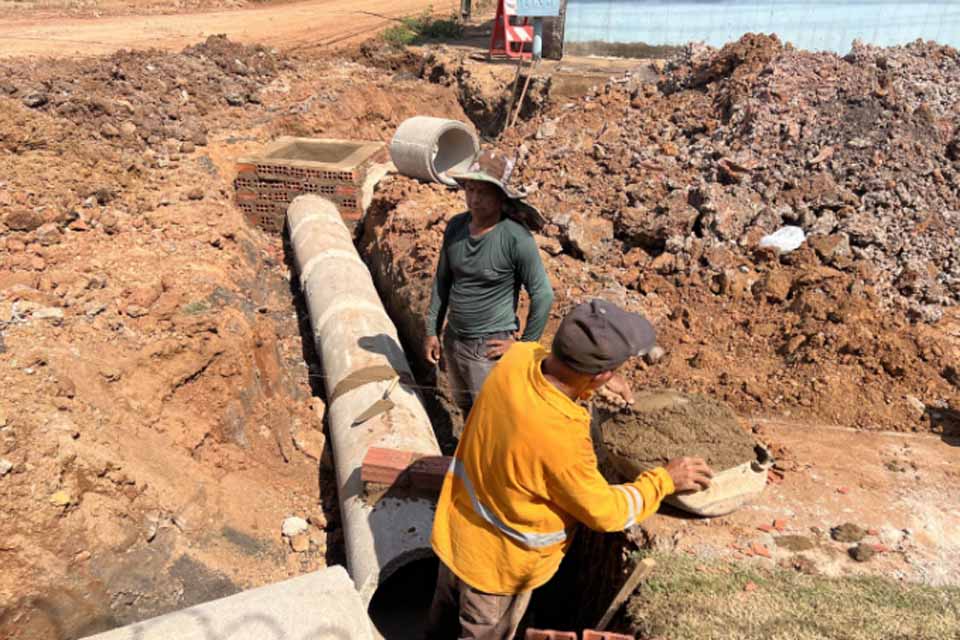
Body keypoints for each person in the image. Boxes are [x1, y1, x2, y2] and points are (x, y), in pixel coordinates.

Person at [426, 299, 714, 639]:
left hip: (457, 530)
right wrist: (664, 480)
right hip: (498, 569)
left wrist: (591, 385)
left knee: (441, 623)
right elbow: (605, 512)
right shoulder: (561, 438)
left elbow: (549, 361)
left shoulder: (517, 359)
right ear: (601, 374)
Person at [424, 150, 554, 429]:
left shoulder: (515, 238)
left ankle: (489, 469)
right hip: (454, 338)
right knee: (466, 408)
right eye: (470, 189)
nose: (474, 199)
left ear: (501, 198)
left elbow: (543, 295)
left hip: (489, 348)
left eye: (483, 192)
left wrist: (523, 348)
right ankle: (468, 461)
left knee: (494, 419)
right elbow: (442, 280)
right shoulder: (456, 227)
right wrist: (431, 330)